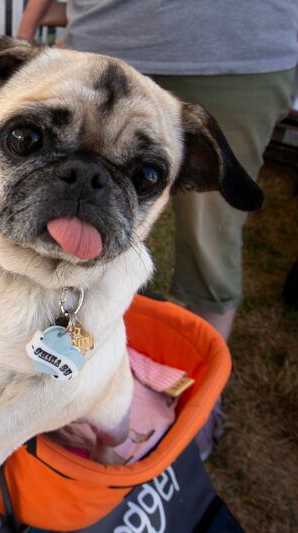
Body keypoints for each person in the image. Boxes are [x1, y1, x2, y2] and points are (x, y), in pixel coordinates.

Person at [18, 0, 297, 460]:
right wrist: (31, 21)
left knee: (212, 241)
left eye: (145, 176)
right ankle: (53, 386)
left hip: (241, 47)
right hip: (107, 33)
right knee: (38, 248)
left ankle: (196, 404)